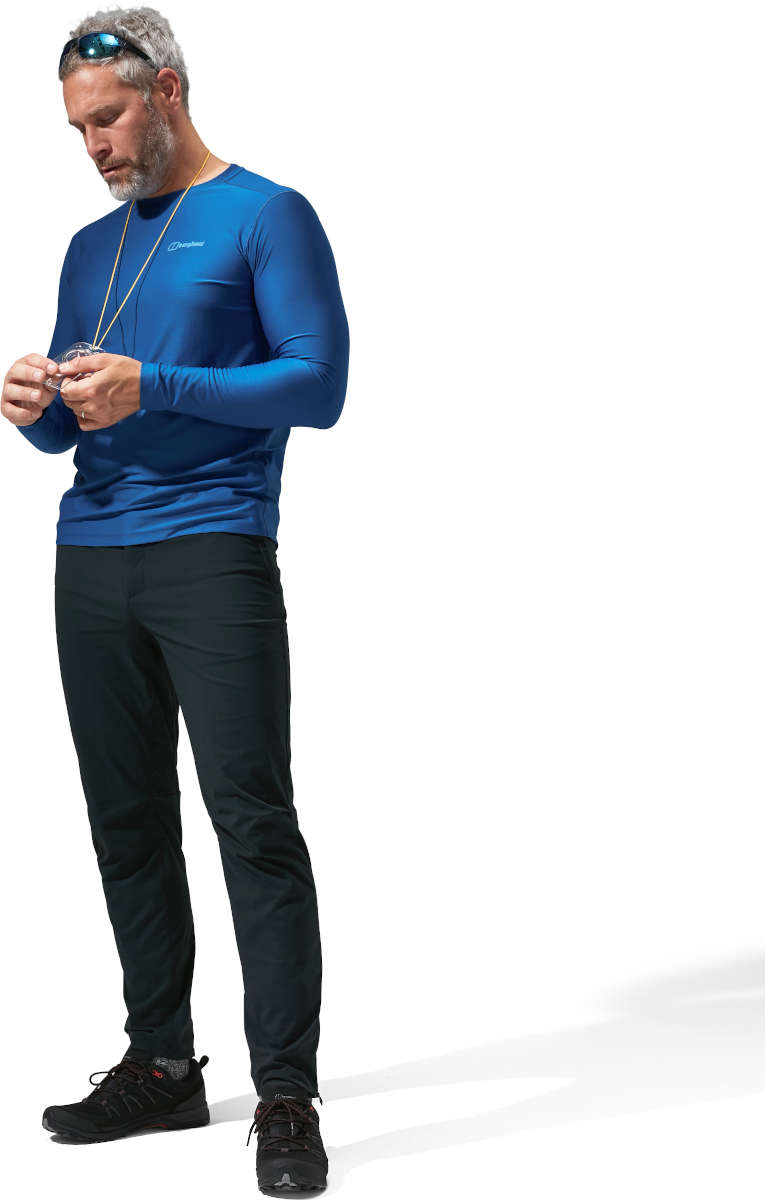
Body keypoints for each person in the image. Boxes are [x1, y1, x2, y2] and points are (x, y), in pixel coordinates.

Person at [1, 7, 348, 1193]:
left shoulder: (266, 214)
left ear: (168, 93)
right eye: (76, 128)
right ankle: (161, 1064)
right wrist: (37, 405)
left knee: (252, 818)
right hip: (91, 556)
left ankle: (287, 1093)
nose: (93, 145)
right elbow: (71, 429)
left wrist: (157, 383)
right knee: (126, 820)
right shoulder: (88, 249)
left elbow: (318, 383)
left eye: (107, 118)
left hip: (214, 549)